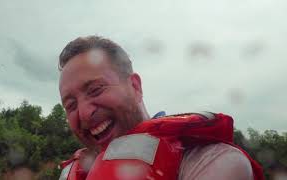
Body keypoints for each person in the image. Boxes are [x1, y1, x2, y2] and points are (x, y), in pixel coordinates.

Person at [57, 36, 264, 180]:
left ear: (135, 87)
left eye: (95, 90)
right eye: (71, 105)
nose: (84, 113)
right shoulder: (78, 171)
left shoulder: (212, 162)